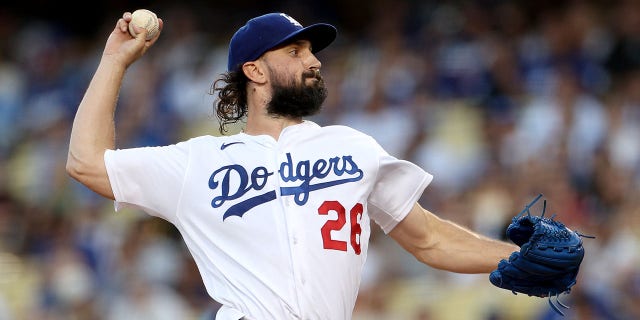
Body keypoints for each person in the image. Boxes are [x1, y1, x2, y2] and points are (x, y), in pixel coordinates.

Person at [66, 11, 518, 320]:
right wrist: (114, 61)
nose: (315, 61)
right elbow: (86, 162)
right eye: (296, 52)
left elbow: (431, 240)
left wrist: (516, 257)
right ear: (255, 71)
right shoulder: (197, 162)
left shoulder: (353, 147)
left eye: (311, 51)